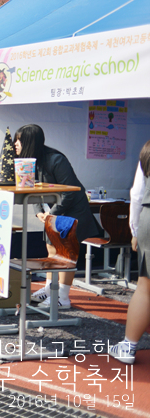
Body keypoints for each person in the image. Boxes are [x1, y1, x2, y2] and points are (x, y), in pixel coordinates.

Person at [15, 124, 102, 310]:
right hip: (52, 214)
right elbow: (29, 189)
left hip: (71, 212)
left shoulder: (56, 159)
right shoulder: (29, 163)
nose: (15, 144)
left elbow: (71, 192)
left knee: (66, 255)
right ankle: (49, 290)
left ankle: (62, 297)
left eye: (19, 140)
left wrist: (51, 214)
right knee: (51, 250)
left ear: (29, 142)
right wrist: (39, 211)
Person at [109, 139, 150, 365]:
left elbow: (137, 194)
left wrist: (134, 230)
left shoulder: (148, 149)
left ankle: (128, 346)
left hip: (149, 219)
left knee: (145, 286)